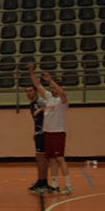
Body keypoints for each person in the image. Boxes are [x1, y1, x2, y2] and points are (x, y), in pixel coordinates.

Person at [29, 63, 72, 195]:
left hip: (58, 132)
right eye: (51, 88)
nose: (52, 89)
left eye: (54, 88)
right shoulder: (48, 97)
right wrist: (31, 71)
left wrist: (51, 80)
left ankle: (69, 185)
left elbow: (62, 93)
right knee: (51, 159)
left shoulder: (62, 101)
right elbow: (37, 85)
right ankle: (54, 185)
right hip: (48, 132)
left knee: (60, 159)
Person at [19, 84, 49, 193]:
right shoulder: (31, 104)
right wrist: (34, 132)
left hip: (44, 133)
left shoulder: (40, 101)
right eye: (27, 91)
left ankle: (43, 182)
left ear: (36, 91)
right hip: (38, 133)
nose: (28, 93)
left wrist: (41, 109)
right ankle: (42, 181)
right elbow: (36, 120)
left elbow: (51, 108)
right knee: (40, 158)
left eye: (30, 90)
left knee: (42, 158)